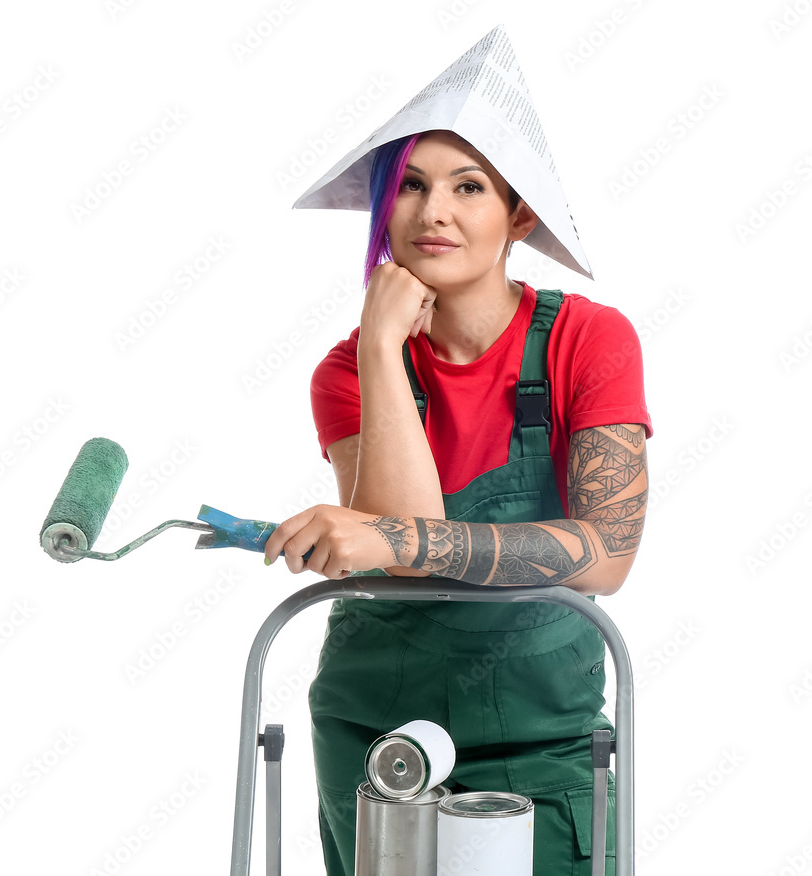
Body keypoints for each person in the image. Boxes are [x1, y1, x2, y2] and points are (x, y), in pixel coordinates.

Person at [263, 125, 651, 875]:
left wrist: (391, 542)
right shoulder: (347, 370)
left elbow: (607, 556)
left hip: (543, 740)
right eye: (410, 185)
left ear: (520, 216)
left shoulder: (589, 340)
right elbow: (403, 561)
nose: (432, 210)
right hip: (378, 740)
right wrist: (381, 347)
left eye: (467, 186)